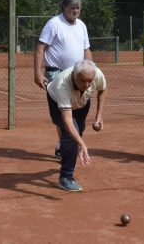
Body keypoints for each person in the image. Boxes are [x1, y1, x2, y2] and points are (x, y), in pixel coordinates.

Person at [34, 0, 92, 159]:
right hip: (56, 74)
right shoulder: (54, 24)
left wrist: (90, 69)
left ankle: (71, 142)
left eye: (78, 8)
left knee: (79, 111)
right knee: (63, 113)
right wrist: (38, 73)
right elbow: (40, 48)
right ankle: (63, 145)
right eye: (72, 8)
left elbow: (86, 49)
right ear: (64, 8)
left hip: (78, 76)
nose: (75, 11)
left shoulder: (81, 26)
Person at [46, 59, 107, 192]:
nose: (87, 84)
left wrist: (99, 115)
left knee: (78, 132)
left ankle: (68, 151)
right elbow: (68, 121)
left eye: (90, 81)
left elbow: (102, 89)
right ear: (75, 75)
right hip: (56, 102)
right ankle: (65, 177)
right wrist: (82, 144)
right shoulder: (62, 84)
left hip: (81, 103)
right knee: (70, 134)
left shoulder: (96, 74)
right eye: (83, 80)